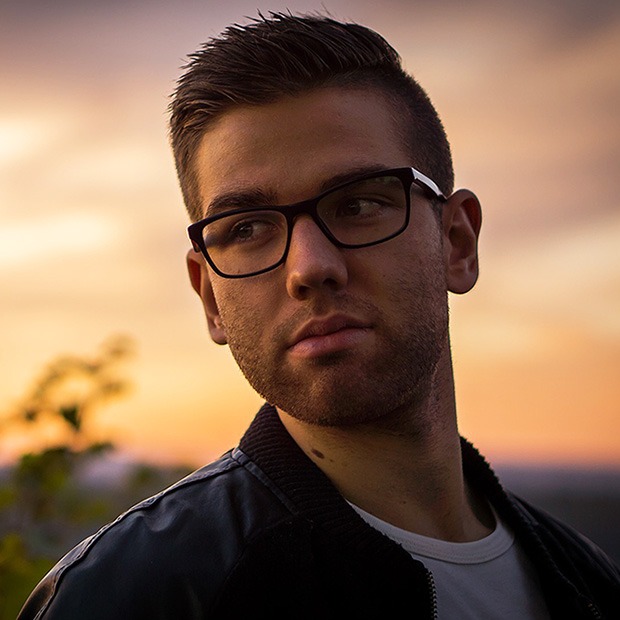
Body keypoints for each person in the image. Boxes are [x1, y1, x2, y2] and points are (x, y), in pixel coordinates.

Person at [19, 12, 620, 619]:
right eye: (247, 229)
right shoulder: (132, 597)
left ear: (457, 242)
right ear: (209, 296)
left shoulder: (590, 584)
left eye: (358, 204)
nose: (308, 268)